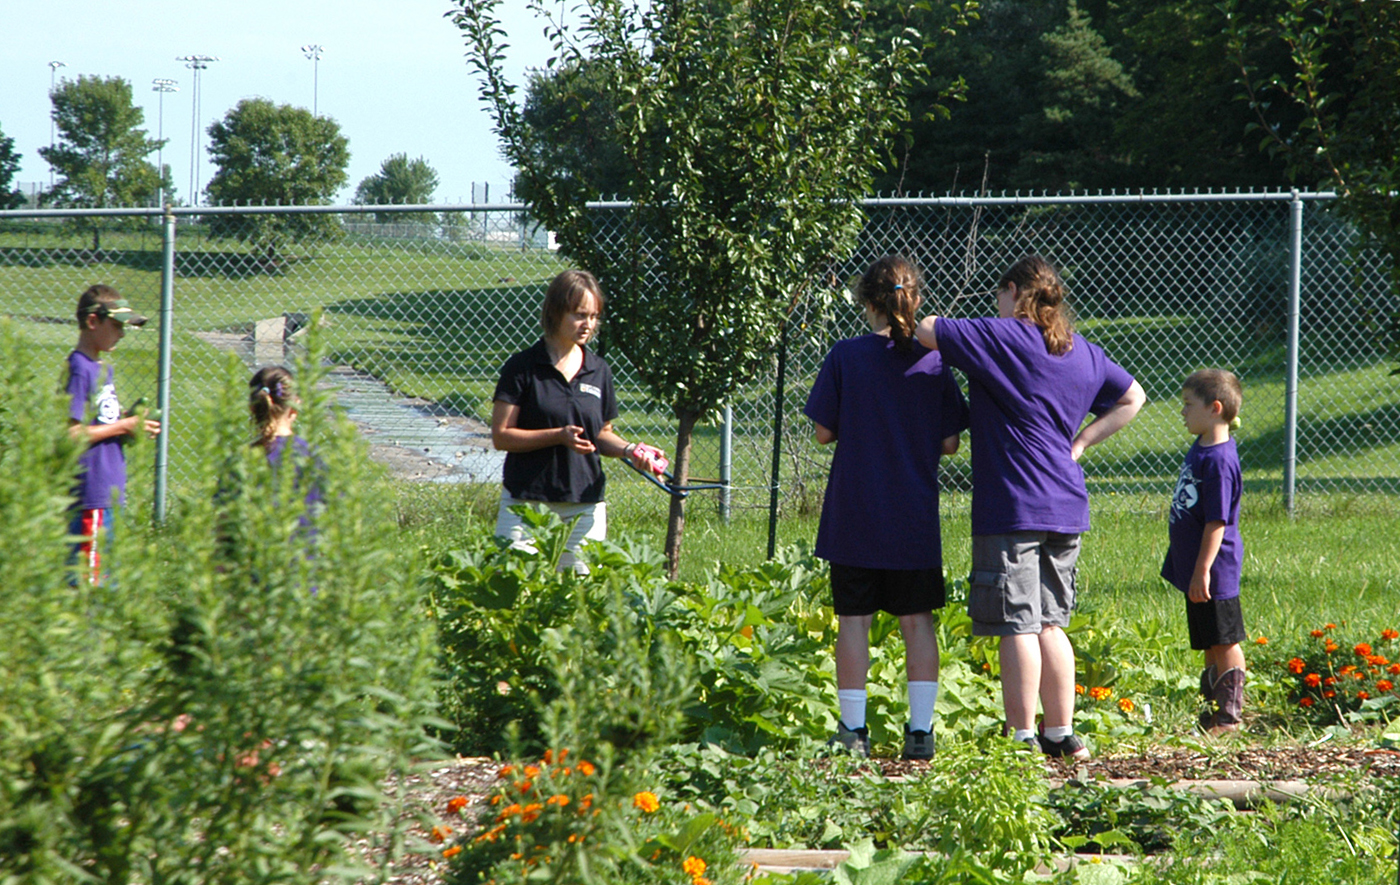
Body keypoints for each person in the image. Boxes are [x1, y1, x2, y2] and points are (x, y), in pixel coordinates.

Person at [914, 255, 1145, 759]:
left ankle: (1020, 736)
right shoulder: (1081, 351)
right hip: (1065, 503)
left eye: (1000, 295)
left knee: (1015, 623)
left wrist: (987, 323)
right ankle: (1061, 733)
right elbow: (1133, 396)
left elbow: (928, 329)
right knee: (1051, 623)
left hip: (1013, 506)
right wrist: (1081, 443)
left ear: (1013, 291)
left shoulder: (1002, 336)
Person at [804, 256, 969, 761]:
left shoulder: (845, 356)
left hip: (854, 514)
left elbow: (823, 431)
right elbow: (950, 444)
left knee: (853, 621)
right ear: (914, 299)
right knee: (917, 622)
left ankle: (852, 731)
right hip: (911, 517)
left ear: (867, 303)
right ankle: (920, 733)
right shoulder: (935, 361)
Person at [490, 269, 666, 572]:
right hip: (526, 503)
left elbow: (602, 433)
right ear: (555, 312)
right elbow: (501, 436)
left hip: (584, 502)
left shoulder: (599, 370)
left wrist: (631, 450)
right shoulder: (522, 368)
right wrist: (558, 435)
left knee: (581, 599)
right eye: (579, 314)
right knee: (514, 596)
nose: (589, 325)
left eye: (594, 316)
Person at [1161, 369, 1245, 734]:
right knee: (1210, 640)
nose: (1182, 412)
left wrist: (1202, 569)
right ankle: (1213, 711)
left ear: (1214, 408)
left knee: (1224, 640)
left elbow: (1217, 523)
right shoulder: (1202, 448)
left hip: (1214, 570)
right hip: (1196, 566)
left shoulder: (1220, 462)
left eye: (1188, 405)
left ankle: (1229, 717)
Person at [65, 284, 161, 584]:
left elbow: (101, 422)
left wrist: (129, 423)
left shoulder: (102, 367)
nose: (122, 333)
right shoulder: (80, 368)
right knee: (89, 585)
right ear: (93, 321)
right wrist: (122, 426)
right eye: (116, 325)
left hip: (109, 493)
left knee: (107, 582)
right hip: (91, 493)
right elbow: (71, 434)